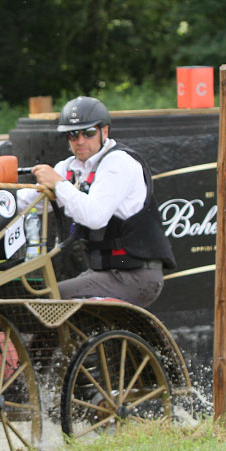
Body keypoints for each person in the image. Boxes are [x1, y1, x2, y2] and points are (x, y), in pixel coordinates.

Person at [18, 96, 176, 306]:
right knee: (43, 300)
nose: (80, 140)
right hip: (105, 272)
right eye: (72, 135)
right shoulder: (70, 167)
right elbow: (26, 203)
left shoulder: (118, 162)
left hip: (136, 276)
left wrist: (58, 185)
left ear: (105, 131)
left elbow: (95, 217)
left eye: (88, 132)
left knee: (51, 300)